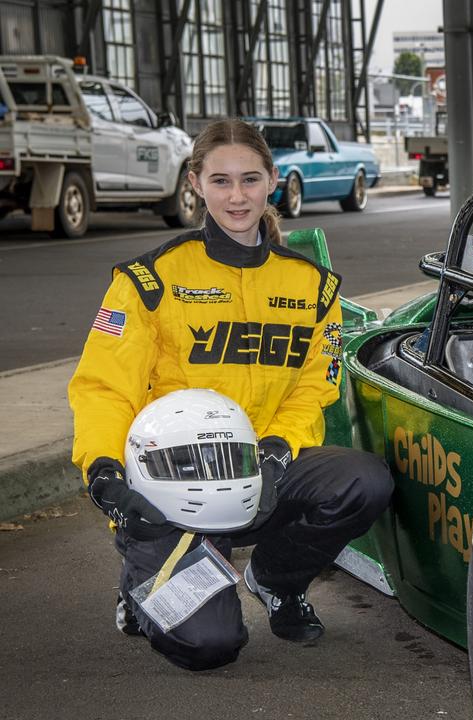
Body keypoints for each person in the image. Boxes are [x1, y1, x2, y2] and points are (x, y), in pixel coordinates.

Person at [67, 118, 393, 671]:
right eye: (220, 181)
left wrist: (276, 447)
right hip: (173, 488)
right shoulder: (148, 280)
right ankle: (139, 587)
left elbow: (316, 386)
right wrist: (101, 470)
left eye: (249, 179)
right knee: (210, 646)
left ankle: (276, 581)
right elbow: (103, 386)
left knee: (363, 481)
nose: (236, 196)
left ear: (272, 180)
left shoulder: (314, 287)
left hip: (262, 465)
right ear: (195, 183)